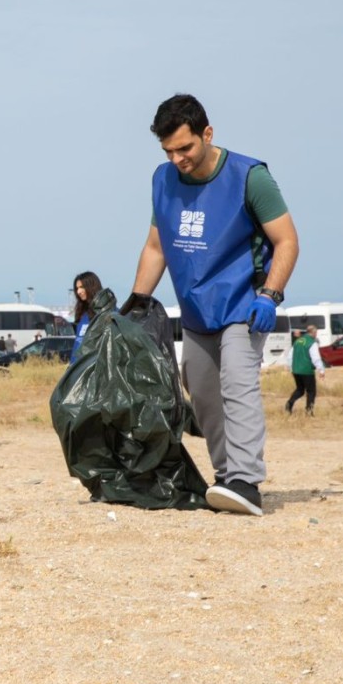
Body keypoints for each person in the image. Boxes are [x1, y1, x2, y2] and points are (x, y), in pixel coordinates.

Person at [124, 94, 299, 517]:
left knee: (238, 386)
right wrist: (137, 302)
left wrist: (270, 295)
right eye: (169, 151)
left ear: (207, 133)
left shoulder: (248, 177)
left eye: (185, 148)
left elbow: (287, 241)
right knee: (202, 395)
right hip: (197, 310)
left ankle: (246, 480)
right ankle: (227, 479)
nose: (178, 159)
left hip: (243, 304)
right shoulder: (162, 180)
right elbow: (155, 247)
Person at [284, 324, 325, 415]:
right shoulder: (311, 342)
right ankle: (309, 411)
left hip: (296, 370)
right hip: (306, 371)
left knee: (300, 390)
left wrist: (291, 368)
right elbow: (316, 358)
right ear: (314, 333)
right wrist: (321, 370)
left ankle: (289, 403)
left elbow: (290, 356)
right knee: (311, 391)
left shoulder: (298, 341)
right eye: (316, 333)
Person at [69, 271, 103, 362]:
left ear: (92, 287)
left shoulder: (105, 312)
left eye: (82, 287)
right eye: (77, 288)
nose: (78, 292)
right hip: (77, 368)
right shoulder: (82, 314)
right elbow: (78, 342)